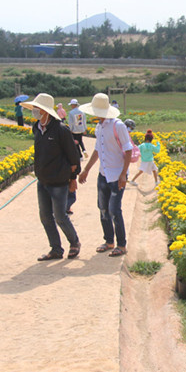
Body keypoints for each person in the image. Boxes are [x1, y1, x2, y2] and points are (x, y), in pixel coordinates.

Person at [21, 93, 82, 261]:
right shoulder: (36, 128)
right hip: (43, 180)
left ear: (45, 111)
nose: (34, 111)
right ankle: (56, 249)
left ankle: (74, 242)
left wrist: (73, 178)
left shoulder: (60, 130)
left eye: (37, 108)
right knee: (45, 216)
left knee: (60, 216)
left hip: (59, 181)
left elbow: (73, 156)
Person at [78, 93, 131, 257]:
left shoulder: (118, 126)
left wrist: (123, 174)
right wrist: (86, 169)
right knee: (103, 209)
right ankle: (109, 241)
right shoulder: (99, 127)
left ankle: (121, 245)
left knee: (114, 210)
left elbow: (128, 150)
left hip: (117, 174)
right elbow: (97, 150)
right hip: (103, 173)